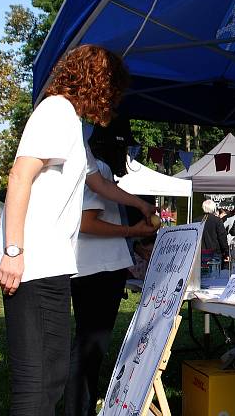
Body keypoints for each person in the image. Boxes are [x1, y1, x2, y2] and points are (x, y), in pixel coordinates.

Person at [0, 44, 153, 415]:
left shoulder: (75, 126)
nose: (114, 101)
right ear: (99, 82)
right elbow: (19, 176)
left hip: (53, 264)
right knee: (36, 380)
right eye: (113, 90)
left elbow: (99, 184)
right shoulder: (55, 112)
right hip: (31, 264)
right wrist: (13, 252)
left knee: (53, 375)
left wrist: (139, 204)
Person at [64, 119, 158, 416]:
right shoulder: (99, 170)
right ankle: (78, 409)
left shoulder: (96, 172)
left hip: (92, 270)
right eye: (124, 148)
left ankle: (81, 405)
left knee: (89, 346)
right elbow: (88, 223)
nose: (127, 157)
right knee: (89, 348)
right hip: (98, 273)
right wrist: (134, 233)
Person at [201, 199, 229, 267]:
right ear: (213, 208)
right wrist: (226, 252)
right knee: (215, 275)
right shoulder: (217, 220)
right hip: (214, 253)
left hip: (201, 253)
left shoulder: (197, 220)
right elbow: (222, 237)